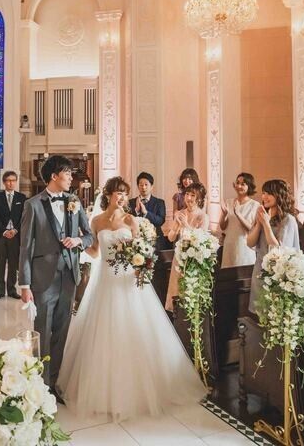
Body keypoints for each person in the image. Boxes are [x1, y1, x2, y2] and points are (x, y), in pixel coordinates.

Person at [58, 176, 206, 421]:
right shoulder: (96, 221)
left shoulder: (130, 220)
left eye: (125, 194)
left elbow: (141, 251)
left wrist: (142, 264)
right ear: (108, 195)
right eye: (119, 193)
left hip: (128, 280)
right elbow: (95, 252)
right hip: (105, 280)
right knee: (102, 332)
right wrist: (77, 243)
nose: (123, 198)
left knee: (136, 328)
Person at [19, 155, 93, 398]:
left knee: (62, 331)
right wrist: (25, 284)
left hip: (69, 276)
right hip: (43, 278)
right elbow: (25, 247)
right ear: (54, 176)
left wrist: (78, 240)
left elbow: (90, 236)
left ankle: (54, 382)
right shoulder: (32, 205)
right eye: (67, 173)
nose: (71, 177)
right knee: (42, 330)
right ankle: (40, 386)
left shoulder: (74, 201)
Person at [247, 179, 300, 314]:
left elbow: (278, 250)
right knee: (259, 316)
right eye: (263, 193)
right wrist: (259, 223)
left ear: (279, 195)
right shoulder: (264, 215)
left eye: (269, 193)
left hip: (278, 275)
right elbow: (250, 243)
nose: (264, 197)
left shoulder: (288, 220)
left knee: (274, 316)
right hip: (260, 272)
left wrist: (266, 224)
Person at [165, 182, 210, 311]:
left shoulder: (203, 216)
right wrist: (177, 226)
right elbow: (171, 238)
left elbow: (200, 240)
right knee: (176, 292)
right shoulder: (180, 213)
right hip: (179, 259)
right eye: (187, 194)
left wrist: (185, 224)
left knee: (190, 294)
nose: (188, 198)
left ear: (199, 198)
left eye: (193, 195)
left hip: (194, 260)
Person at [0, 171, 26, 301]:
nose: (11, 183)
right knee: (0, 264)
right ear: (4, 182)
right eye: (8, 180)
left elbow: (23, 217)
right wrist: (4, 231)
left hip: (16, 236)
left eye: (13, 180)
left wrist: (15, 230)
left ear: (16, 182)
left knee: (13, 264)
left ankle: (11, 290)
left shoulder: (22, 198)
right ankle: (0, 291)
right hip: (1, 235)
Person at [219, 173, 259, 268]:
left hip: (245, 247)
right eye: (237, 183)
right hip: (229, 245)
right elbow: (223, 227)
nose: (239, 186)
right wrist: (224, 214)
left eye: (243, 184)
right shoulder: (229, 202)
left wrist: (238, 214)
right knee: (227, 275)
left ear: (249, 186)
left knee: (243, 274)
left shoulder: (255, 205)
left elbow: (252, 229)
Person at [128, 171, 166, 250]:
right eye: (141, 185)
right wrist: (136, 211)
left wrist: (146, 213)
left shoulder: (159, 202)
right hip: (136, 241)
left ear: (151, 186)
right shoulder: (131, 202)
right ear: (138, 186)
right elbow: (128, 221)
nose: (143, 187)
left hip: (155, 241)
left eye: (146, 185)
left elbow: (160, 221)